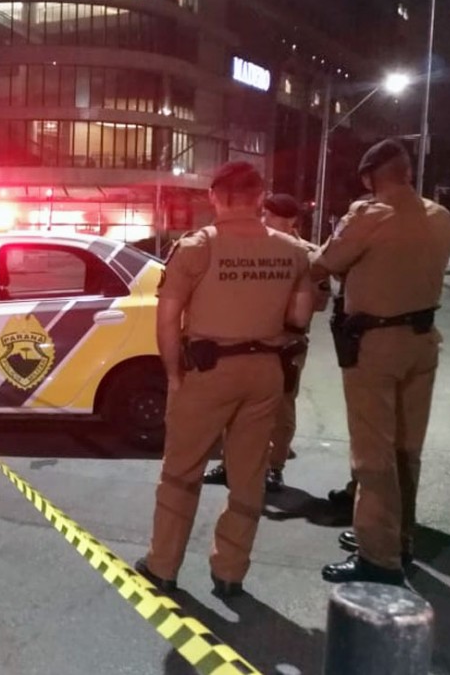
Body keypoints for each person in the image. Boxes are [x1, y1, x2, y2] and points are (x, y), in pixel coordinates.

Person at [135, 162, 315, 597]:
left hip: (208, 371)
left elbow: (167, 317)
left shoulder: (198, 247)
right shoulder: (293, 251)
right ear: (259, 197)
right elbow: (300, 316)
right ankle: (230, 571)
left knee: (182, 470)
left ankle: (163, 566)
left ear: (215, 197)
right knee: (248, 474)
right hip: (266, 372)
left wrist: (174, 373)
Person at [315, 139, 450, 585]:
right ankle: (401, 540)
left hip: (377, 346)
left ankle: (378, 557)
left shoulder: (369, 215)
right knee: (406, 451)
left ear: (370, 177)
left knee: (372, 456)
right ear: (408, 172)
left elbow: (326, 262)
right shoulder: (440, 216)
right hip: (422, 342)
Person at [201, 194, 332, 492]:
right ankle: (230, 463)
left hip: (286, 341)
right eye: (264, 216)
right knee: (234, 404)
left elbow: (320, 301)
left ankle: (274, 467)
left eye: (270, 217)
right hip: (242, 337)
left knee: (282, 407)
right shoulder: (248, 247)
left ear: (289, 221)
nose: (264, 222)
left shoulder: (308, 255)